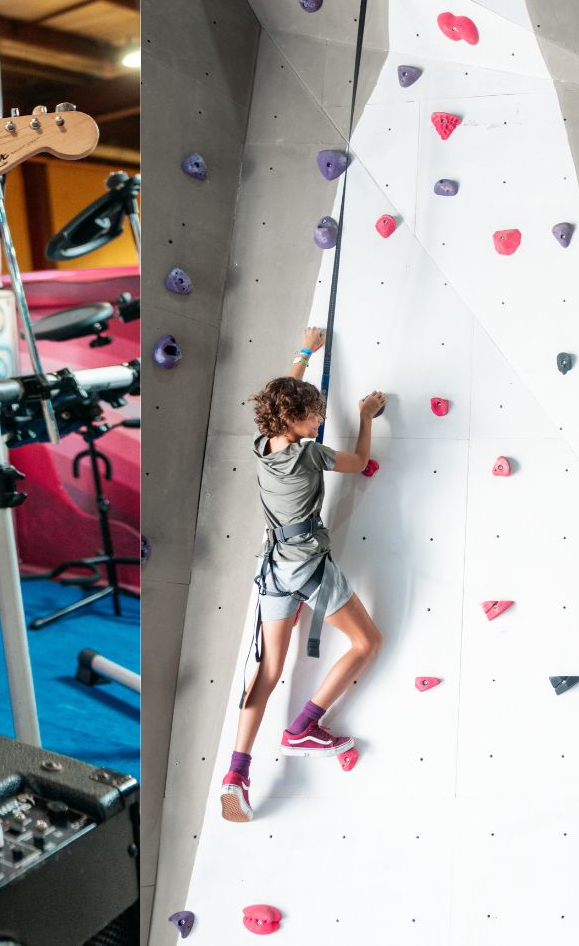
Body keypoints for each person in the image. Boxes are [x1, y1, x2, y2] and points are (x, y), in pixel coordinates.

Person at [220, 326, 384, 822]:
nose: (322, 417)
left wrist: (304, 354)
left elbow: (282, 395)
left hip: (272, 568)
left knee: (267, 672)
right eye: (316, 413)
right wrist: (364, 416)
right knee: (366, 643)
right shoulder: (310, 454)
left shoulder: (262, 443)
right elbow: (358, 462)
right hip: (306, 564)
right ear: (296, 420)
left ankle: (236, 773)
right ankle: (304, 727)